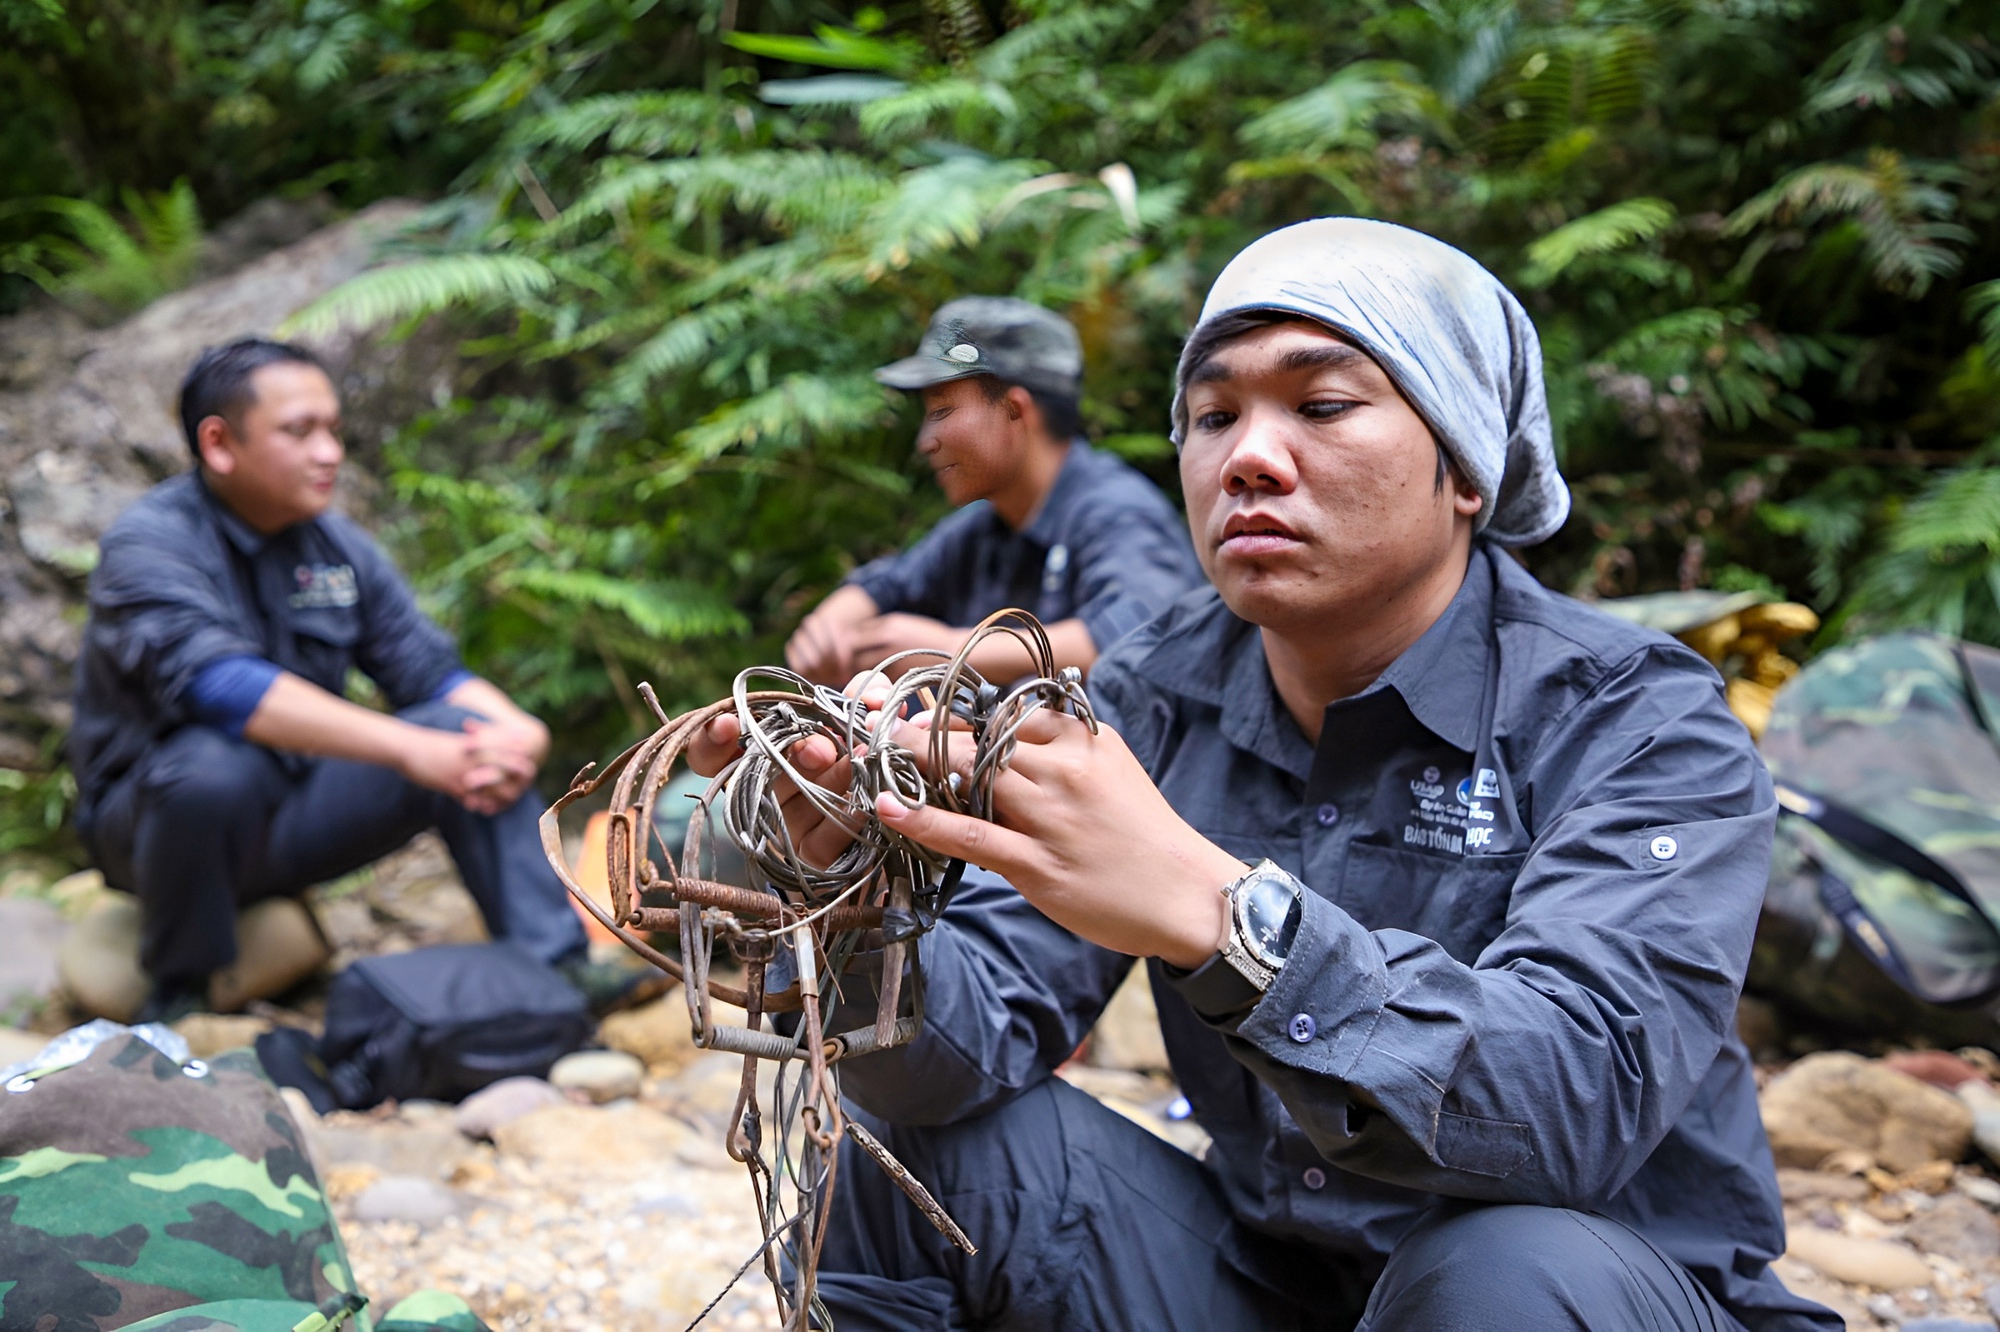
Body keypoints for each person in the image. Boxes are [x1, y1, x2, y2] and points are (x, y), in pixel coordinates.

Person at [691, 222, 1836, 1329]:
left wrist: (1224, 918)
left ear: (1465, 467)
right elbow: (965, 1042)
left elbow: (1569, 1106)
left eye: (1323, 404)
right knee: (902, 1163)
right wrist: (841, 894)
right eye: (1210, 415)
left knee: (1499, 1265)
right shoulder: (1150, 695)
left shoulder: (1635, 716)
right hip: (1277, 1286)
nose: (1247, 456)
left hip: (1572, 1292)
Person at [70, 338, 627, 1021]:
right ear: (219, 444)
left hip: (294, 812)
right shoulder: (149, 544)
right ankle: (183, 996)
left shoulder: (336, 549)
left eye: (333, 429)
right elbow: (219, 686)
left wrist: (518, 732)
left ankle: (560, 968)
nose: (330, 451)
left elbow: (429, 673)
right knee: (213, 768)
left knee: (475, 733)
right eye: (299, 431)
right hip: (157, 829)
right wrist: (408, 748)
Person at [785, 297, 1202, 687]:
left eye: (942, 411)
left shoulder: (1116, 512)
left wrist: (952, 650)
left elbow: (1142, 632)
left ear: (1015, 412)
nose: (926, 441)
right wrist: (833, 622)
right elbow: (894, 582)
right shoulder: (988, 524)